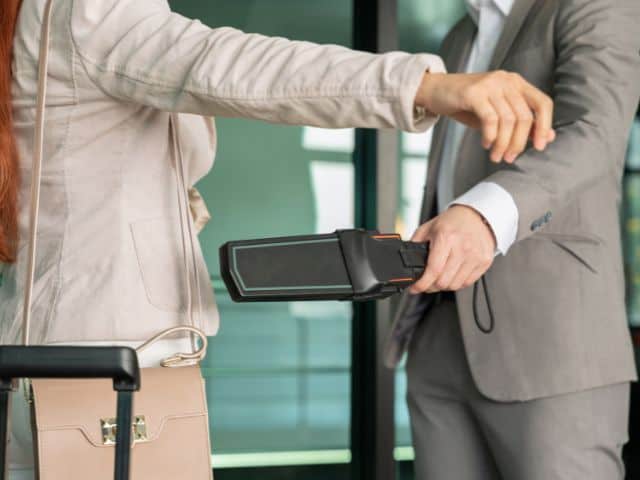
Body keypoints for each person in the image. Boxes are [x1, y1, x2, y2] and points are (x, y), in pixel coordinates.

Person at [0, 0, 554, 478]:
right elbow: (234, 67)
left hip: (59, 355)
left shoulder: (38, 19)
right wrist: (425, 87)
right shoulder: (92, 11)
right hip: (109, 371)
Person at [387, 0, 640, 479]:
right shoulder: (460, 35)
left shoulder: (596, 5)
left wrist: (483, 215)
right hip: (439, 330)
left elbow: (594, 132)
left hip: (551, 339)